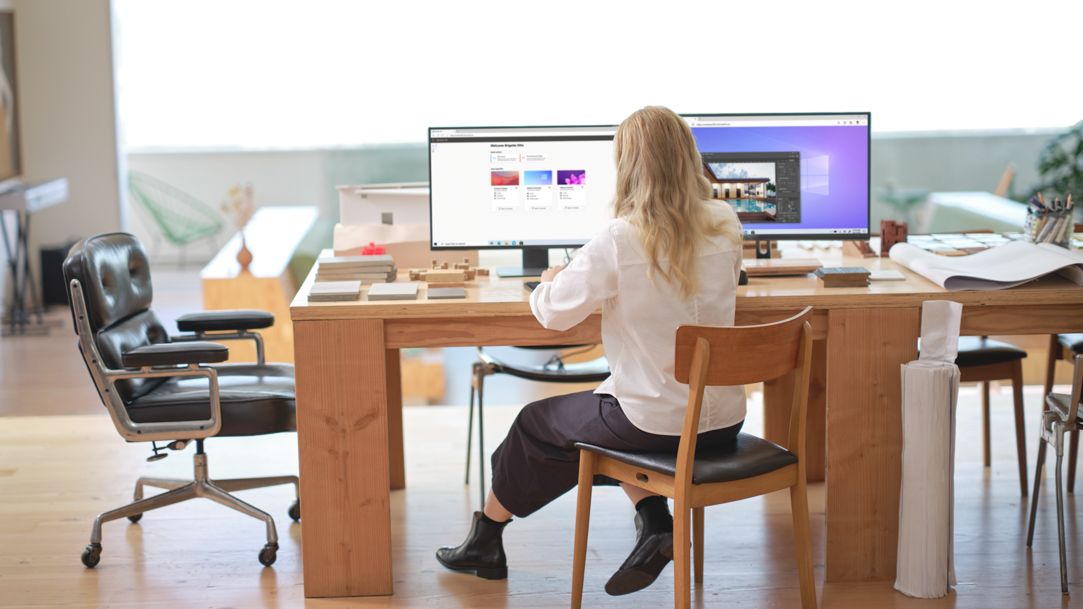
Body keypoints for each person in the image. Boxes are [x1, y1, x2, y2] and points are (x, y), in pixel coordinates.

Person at [435, 106, 746, 596]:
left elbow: (553, 314)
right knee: (603, 407)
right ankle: (654, 521)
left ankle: (486, 538)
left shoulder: (621, 237)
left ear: (627, 165)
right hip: (724, 420)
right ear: (689, 157)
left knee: (536, 426)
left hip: (656, 424)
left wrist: (550, 280)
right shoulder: (726, 222)